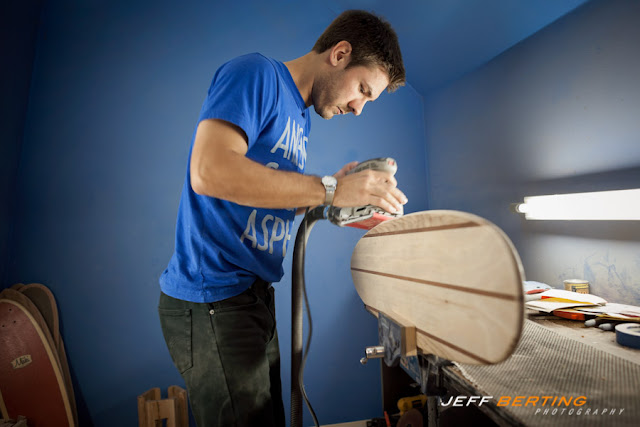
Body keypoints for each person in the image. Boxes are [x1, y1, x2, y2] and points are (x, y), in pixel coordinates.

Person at [158, 9, 408, 427]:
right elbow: (209, 171)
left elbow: (267, 196)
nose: (359, 108)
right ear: (340, 54)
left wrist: (337, 199)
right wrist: (329, 188)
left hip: (251, 297)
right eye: (363, 89)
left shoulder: (300, 118)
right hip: (213, 297)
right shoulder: (257, 75)